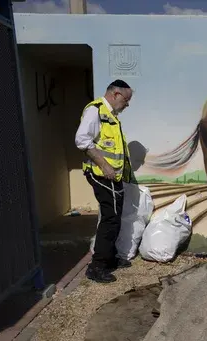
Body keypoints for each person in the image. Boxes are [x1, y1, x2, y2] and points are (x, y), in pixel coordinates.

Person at [74, 79, 134, 283]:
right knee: (110, 218)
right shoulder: (96, 111)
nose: (127, 105)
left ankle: (109, 259)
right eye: (126, 100)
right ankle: (97, 266)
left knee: (113, 217)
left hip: (112, 176)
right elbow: (82, 140)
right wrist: (104, 165)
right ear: (116, 94)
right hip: (101, 174)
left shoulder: (112, 116)